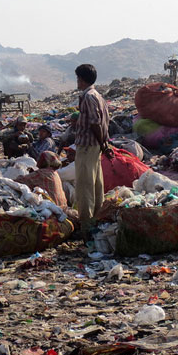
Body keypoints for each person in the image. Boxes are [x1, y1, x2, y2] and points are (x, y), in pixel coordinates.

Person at [73, 64, 112, 240]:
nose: (77, 81)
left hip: (88, 146)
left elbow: (95, 123)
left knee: (84, 187)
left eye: (78, 78)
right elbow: (103, 122)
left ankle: (87, 227)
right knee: (97, 185)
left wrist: (103, 143)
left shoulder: (88, 97)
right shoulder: (98, 96)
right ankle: (97, 220)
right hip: (95, 146)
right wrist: (104, 143)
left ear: (82, 79)